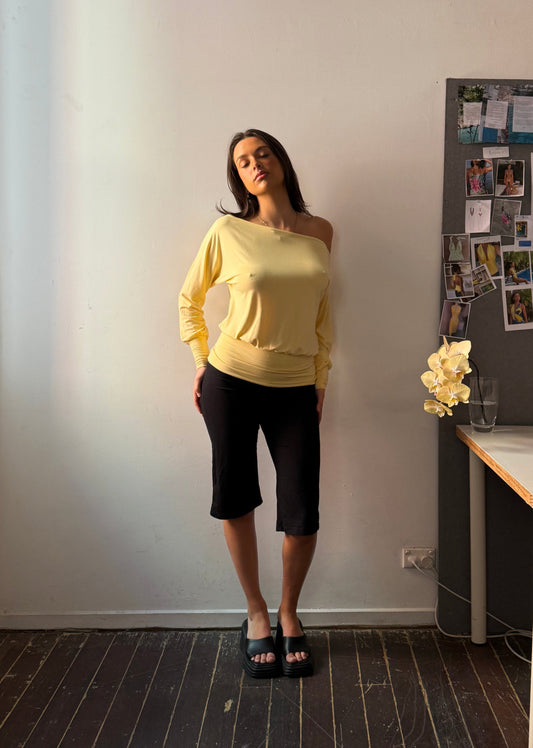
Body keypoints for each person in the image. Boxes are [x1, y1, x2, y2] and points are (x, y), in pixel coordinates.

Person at [179, 129, 333, 679]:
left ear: (280, 160)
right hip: (231, 381)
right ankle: (256, 612)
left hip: (296, 385)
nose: (255, 164)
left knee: (302, 511)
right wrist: (201, 358)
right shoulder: (228, 231)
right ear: (239, 178)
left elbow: (322, 313)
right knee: (236, 497)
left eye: (262, 153)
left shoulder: (321, 232)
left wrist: (320, 379)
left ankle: (290, 612)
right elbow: (190, 299)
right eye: (243, 162)